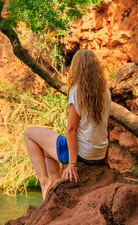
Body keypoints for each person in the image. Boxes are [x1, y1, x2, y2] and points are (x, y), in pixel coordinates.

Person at [24, 49, 111, 200]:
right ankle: (57, 183)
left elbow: (72, 129)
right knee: (46, 150)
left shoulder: (77, 91)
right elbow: (105, 127)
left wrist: (72, 164)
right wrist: (105, 160)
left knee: (29, 133)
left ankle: (45, 183)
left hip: (81, 154)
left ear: (77, 68)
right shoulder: (106, 91)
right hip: (98, 154)